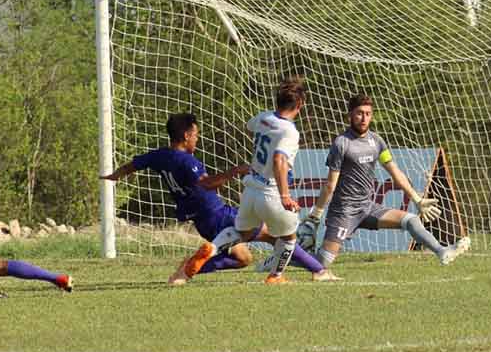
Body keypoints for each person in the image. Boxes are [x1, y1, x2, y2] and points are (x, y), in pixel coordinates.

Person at [100, 112, 337, 284]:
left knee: (243, 258)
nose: (197, 139)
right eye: (195, 135)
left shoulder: (159, 155)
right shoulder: (187, 161)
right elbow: (205, 183)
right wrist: (234, 171)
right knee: (276, 236)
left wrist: (115, 175)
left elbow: (134, 164)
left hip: (202, 222)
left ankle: (187, 269)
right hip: (217, 214)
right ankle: (318, 270)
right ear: (185, 135)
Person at [297, 94, 470, 268]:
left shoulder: (376, 141)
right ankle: (285, 259)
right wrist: (315, 216)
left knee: (410, 220)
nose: (364, 118)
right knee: (321, 263)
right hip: (344, 211)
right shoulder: (341, 143)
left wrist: (417, 199)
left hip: (367, 207)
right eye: (359, 113)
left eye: (368, 113)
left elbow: (395, 172)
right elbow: (330, 185)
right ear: (350, 115)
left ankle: (442, 252)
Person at [179, 75, 313, 284]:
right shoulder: (290, 131)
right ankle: (275, 276)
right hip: (271, 192)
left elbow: (251, 126)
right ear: (300, 104)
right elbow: (279, 160)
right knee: (289, 237)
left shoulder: (263, 118)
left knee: (242, 231)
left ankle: (212, 248)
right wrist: (285, 196)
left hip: (251, 189)